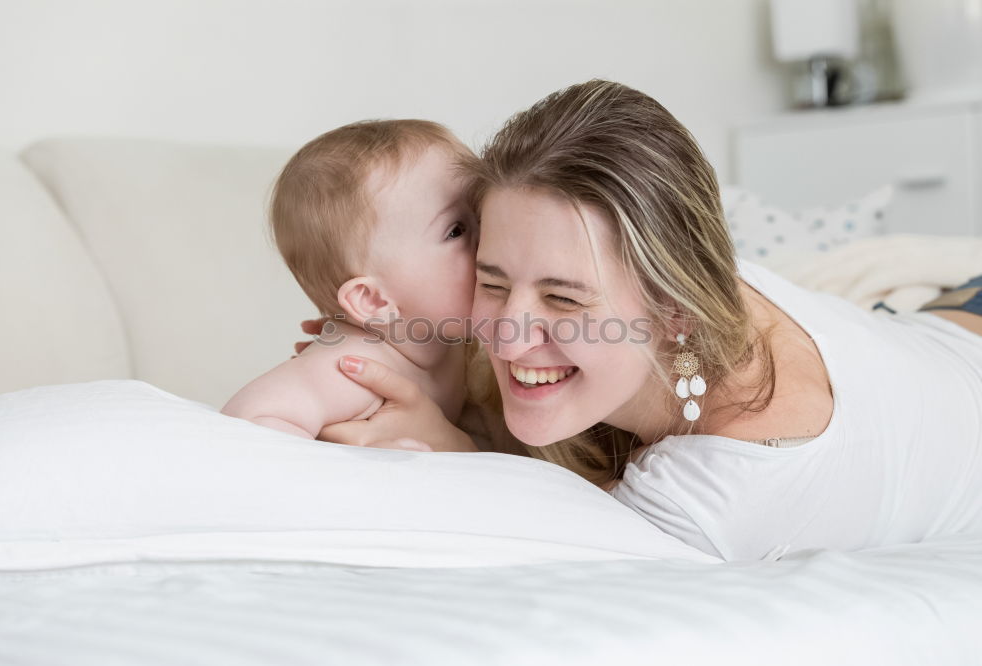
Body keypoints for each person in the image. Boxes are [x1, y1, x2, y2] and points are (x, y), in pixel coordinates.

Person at [307, 80, 982, 561]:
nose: (507, 336)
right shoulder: (670, 290)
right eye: (491, 279)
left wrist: (454, 455)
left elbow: (556, 527)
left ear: (676, 309)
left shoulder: (723, 494)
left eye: (565, 301)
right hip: (931, 326)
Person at [221, 119, 479, 452]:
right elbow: (247, 419)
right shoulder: (353, 367)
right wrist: (342, 471)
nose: (489, 238)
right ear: (372, 300)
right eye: (456, 230)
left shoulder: (454, 343)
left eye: (484, 213)